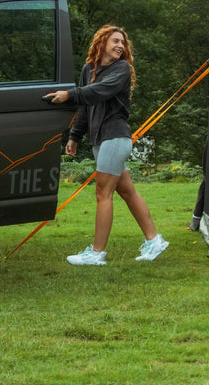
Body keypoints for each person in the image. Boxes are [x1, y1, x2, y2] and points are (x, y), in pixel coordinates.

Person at [44, 25, 169, 266]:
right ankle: (155, 241)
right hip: (101, 140)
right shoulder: (88, 69)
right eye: (115, 41)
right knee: (127, 191)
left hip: (115, 137)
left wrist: (69, 94)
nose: (120, 46)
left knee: (103, 193)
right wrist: (74, 136)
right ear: (102, 42)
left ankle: (97, 252)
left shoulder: (121, 69)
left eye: (123, 42)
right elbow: (85, 106)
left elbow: (100, 92)